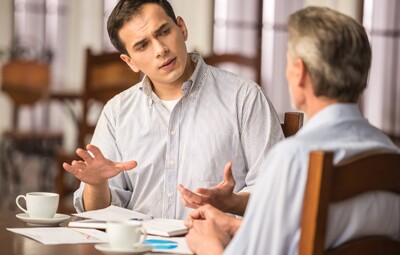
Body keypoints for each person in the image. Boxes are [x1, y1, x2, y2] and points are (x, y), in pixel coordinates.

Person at [184, 6, 400, 255]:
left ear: (300, 73)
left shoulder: (293, 159)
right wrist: (236, 225)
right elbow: (315, 236)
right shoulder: (390, 155)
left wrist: (208, 245)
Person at [62, 0, 284, 219]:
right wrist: (97, 185)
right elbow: (98, 213)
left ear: (182, 28)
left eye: (164, 31)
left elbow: (278, 192)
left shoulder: (244, 97)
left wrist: (233, 203)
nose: (161, 49)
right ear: (130, 62)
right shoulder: (117, 112)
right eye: (142, 45)